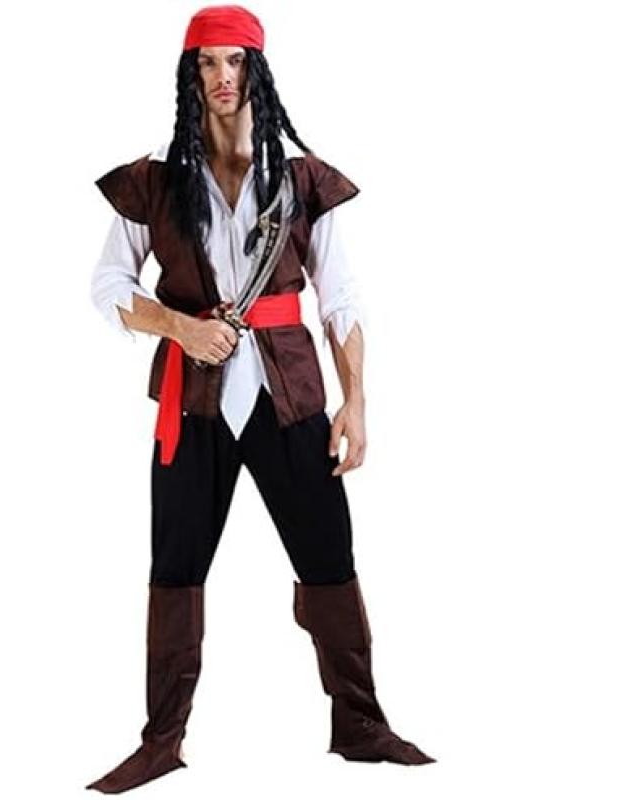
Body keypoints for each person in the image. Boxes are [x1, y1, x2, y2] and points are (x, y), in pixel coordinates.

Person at [85, 5, 435, 794]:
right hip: (192, 404)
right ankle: (161, 741)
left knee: (329, 560)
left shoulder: (301, 179)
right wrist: (178, 326)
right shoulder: (156, 180)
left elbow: (340, 299)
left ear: (258, 72)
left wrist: (356, 403)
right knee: (175, 570)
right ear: (190, 75)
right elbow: (107, 287)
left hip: (291, 397)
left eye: (235, 62)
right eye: (207, 63)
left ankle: (361, 725)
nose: (222, 77)